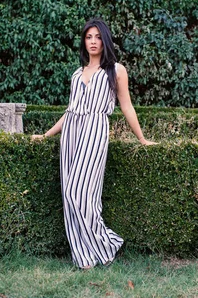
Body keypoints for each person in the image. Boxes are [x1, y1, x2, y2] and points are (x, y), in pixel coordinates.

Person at [31, 18, 156, 270]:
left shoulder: (116, 70)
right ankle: (85, 257)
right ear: (83, 42)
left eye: (98, 37)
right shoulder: (77, 74)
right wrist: (46, 135)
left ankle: (107, 244)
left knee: (80, 193)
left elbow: (126, 105)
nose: (93, 42)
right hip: (71, 135)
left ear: (105, 40)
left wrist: (141, 138)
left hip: (95, 131)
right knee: (71, 195)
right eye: (89, 37)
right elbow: (70, 112)